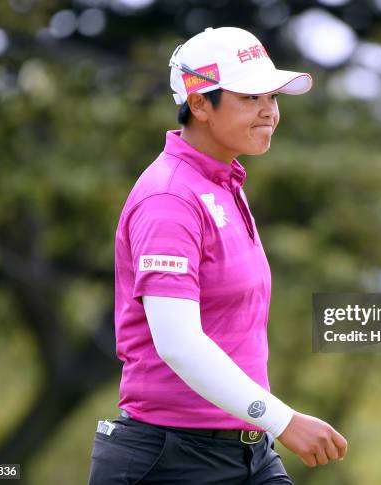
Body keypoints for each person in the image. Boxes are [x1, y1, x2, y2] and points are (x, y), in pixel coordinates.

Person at [88, 26, 347, 485]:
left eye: (273, 97)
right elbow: (178, 343)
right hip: (167, 461)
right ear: (200, 102)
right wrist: (283, 420)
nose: (269, 112)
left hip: (248, 452)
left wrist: (267, 425)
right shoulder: (169, 198)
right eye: (250, 98)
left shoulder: (226, 184)